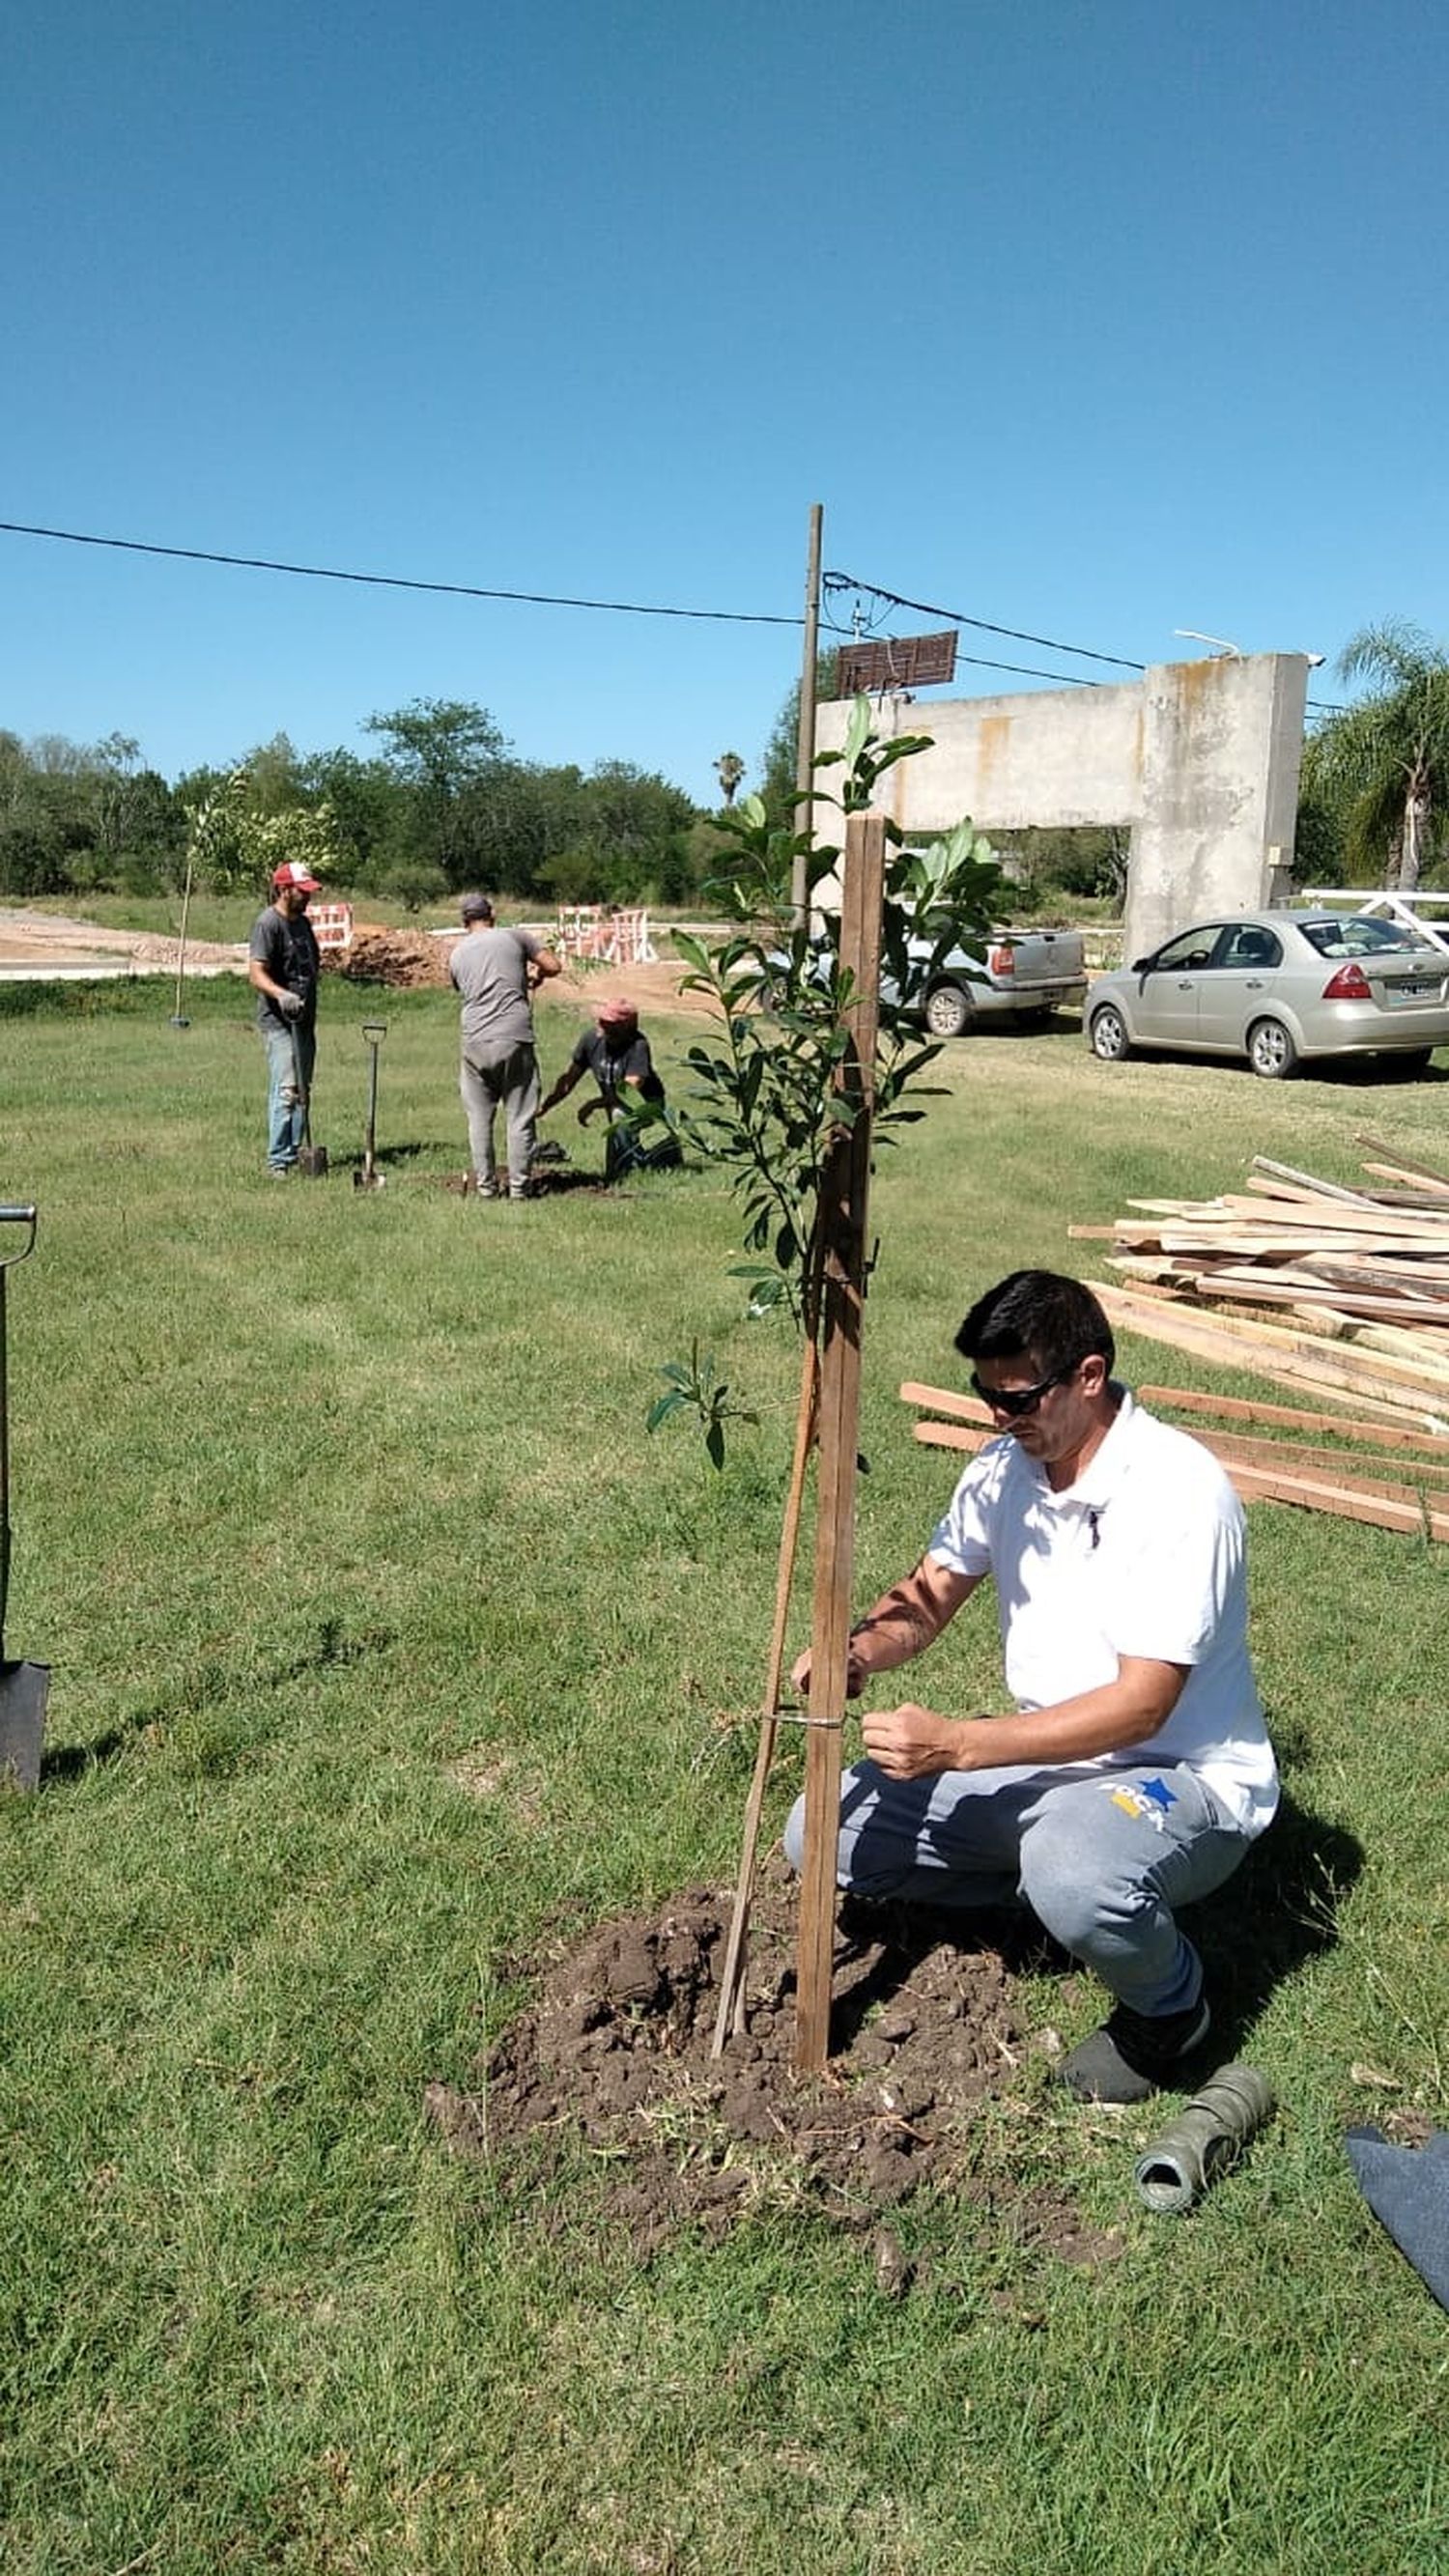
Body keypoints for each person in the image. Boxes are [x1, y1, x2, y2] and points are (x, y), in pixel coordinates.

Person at [785, 1269, 1278, 2105]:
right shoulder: (1003, 1468)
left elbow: (1142, 1704)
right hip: (1050, 1762)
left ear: (1089, 1375)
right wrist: (860, 1649)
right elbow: (931, 1592)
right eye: (986, 1397)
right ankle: (1061, 1910)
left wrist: (959, 1746)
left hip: (1181, 1778)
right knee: (818, 1831)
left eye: (1016, 1399)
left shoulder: (1177, 1492)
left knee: (1073, 1862)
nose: (997, 1419)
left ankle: (1171, 2007)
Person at [449, 892, 561, 1201]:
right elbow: (553, 965)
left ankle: (485, 1187)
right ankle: (519, 1188)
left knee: (479, 1118)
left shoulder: (457, 953)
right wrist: (534, 975)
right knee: (520, 1115)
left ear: (464, 921)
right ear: (492, 915)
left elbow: (465, 986)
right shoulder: (514, 937)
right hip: (513, 1036)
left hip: (473, 1039)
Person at [536, 996, 683, 1180]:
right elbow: (568, 1080)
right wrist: (545, 1106)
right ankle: (634, 1166)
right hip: (616, 1103)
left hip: (648, 1104)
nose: (602, 1025)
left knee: (619, 1117)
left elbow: (630, 1089)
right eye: (602, 1020)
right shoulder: (591, 1040)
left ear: (627, 1026)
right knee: (619, 1124)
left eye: (609, 1022)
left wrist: (593, 1104)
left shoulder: (638, 1045)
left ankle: (624, 1175)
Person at [247, 860, 324, 1176]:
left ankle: (295, 1154)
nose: (307, 897)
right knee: (287, 1090)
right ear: (283, 890)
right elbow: (255, 973)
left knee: (303, 1089)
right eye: (301, 891)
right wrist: (282, 995)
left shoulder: (302, 924)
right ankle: (278, 1161)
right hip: (279, 1023)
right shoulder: (268, 924)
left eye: (309, 891)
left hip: (304, 1022)